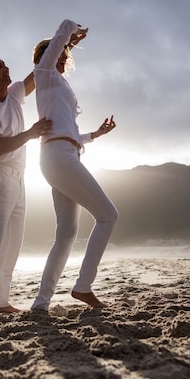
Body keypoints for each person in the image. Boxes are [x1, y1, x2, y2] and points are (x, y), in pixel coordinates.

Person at [31, 19, 118, 312]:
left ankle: (40, 304)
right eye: (60, 55)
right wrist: (70, 33)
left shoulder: (58, 85)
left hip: (63, 154)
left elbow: (68, 131)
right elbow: (60, 35)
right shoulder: (43, 74)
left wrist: (95, 134)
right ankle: (83, 286)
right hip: (58, 156)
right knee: (108, 215)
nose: (64, 59)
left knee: (66, 235)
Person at [0, 51, 52, 326]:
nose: (6, 68)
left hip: (19, 177)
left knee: (12, 245)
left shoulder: (15, 94)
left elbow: (38, 74)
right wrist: (31, 133)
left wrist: (63, 43)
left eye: (4, 64)